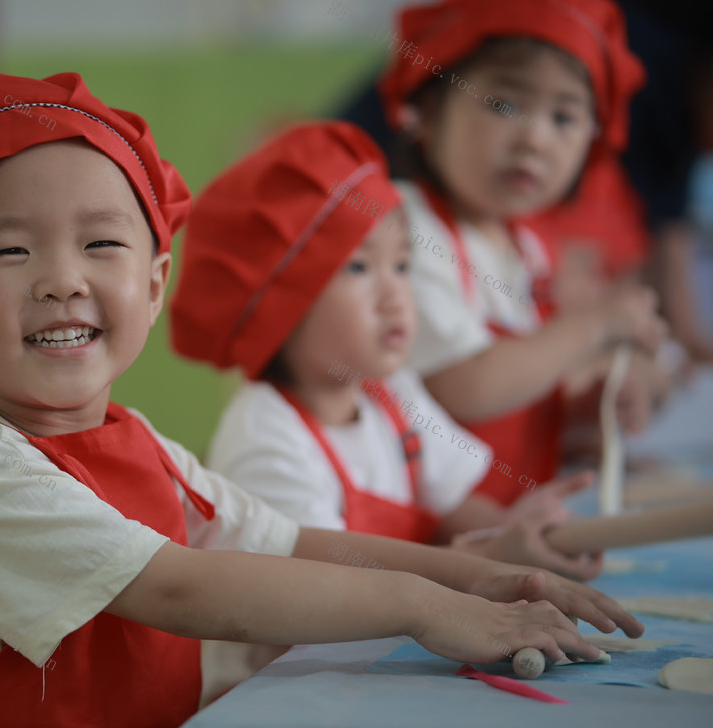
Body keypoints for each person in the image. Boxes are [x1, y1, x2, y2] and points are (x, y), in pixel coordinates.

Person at [0, 72, 641, 725]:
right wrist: (420, 605)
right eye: (10, 249)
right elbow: (183, 586)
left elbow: (283, 541)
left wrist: (478, 580)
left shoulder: (136, 441)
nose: (62, 279)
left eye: (102, 243)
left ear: (154, 286)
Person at [169, 120, 606, 696]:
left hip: (391, 660)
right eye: (358, 267)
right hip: (293, 689)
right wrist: (480, 563)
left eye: (402, 265)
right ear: (278, 304)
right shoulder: (265, 432)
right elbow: (324, 596)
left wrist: (517, 533)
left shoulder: (391, 395)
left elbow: (457, 504)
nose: (394, 294)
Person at [375, 0, 666, 506]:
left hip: (500, 524)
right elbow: (462, 387)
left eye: (564, 116)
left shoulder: (525, 246)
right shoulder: (405, 228)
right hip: (427, 543)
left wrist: (584, 411)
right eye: (504, 105)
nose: (534, 137)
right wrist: (594, 324)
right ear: (429, 114)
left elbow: (517, 396)